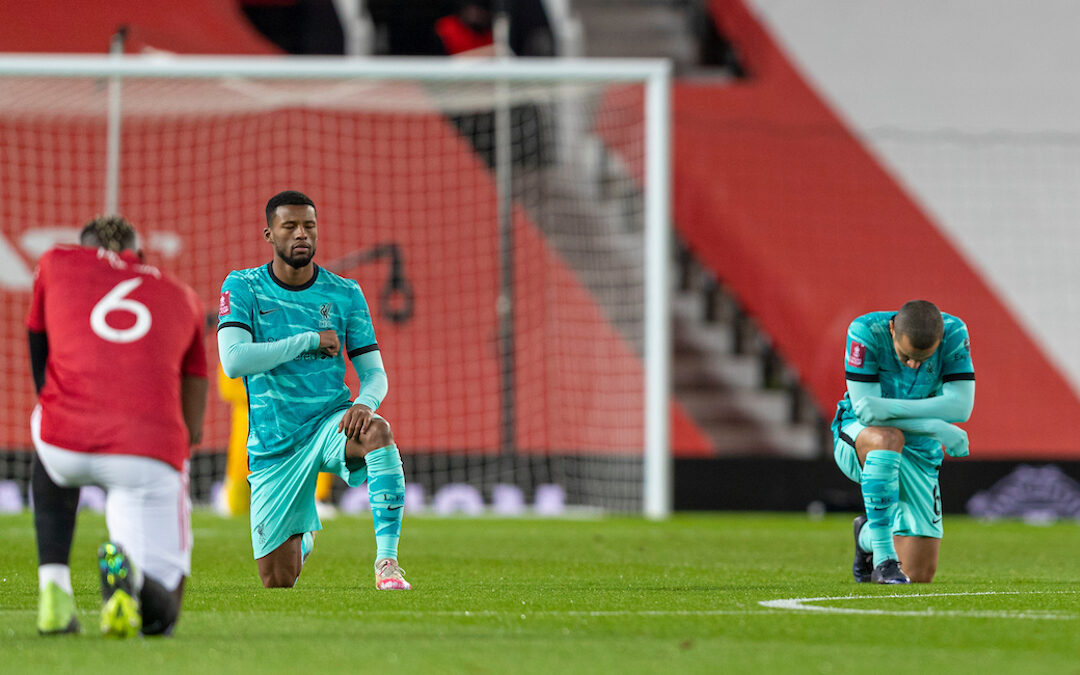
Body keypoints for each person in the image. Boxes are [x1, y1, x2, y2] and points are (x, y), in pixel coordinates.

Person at [216, 190, 410, 590]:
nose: (301, 234)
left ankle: (387, 563)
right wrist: (308, 340)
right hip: (274, 445)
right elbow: (233, 361)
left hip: (329, 424)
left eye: (309, 225)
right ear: (269, 234)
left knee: (378, 431)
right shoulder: (244, 286)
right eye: (290, 226)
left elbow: (375, 373)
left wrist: (365, 402)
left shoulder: (344, 293)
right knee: (278, 580)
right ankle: (302, 536)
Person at [27, 215, 208, 636]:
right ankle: (130, 576)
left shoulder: (56, 262)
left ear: (82, 247)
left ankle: (53, 589)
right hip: (146, 454)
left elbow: (39, 348)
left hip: (63, 444)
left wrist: (60, 403)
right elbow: (193, 426)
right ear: (138, 254)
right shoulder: (183, 296)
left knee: (45, 418)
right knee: (162, 618)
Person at [831, 299, 975, 584]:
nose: (913, 364)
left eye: (923, 359)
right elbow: (867, 413)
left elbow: (961, 407)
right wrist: (934, 425)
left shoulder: (955, 332)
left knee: (919, 573)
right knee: (888, 437)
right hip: (860, 439)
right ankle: (884, 561)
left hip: (921, 449)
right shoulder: (864, 332)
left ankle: (867, 535)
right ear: (892, 328)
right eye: (906, 355)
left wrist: (891, 411)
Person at [216, 365, 339, 518]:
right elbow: (228, 386)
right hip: (251, 412)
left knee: (309, 442)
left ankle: (314, 498)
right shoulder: (236, 345)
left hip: (290, 409)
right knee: (244, 459)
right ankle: (236, 496)